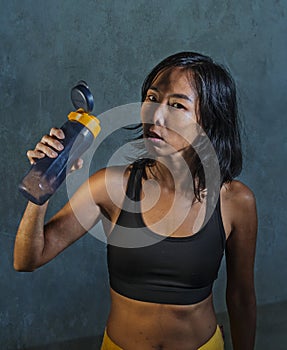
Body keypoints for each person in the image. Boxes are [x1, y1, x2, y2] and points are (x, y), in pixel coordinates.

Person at [14, 52, 257, 350]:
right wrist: (44, 183)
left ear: (208, 121)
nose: (155, 116)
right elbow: (26, 259)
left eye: (177, 105)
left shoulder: (236, 201)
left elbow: (241, 296)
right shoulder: (111, 186)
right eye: (152, 99)